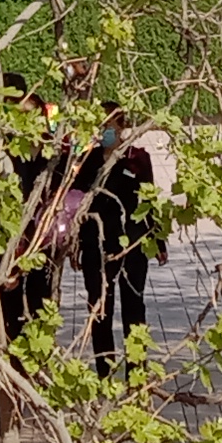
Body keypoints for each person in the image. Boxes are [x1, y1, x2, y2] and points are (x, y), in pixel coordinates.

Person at [72, 107, 161, 378]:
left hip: (131, 244)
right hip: (96, 244)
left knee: (134, 307)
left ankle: (136, 372)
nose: (104, 132)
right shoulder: (87, 161)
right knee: (100, 309)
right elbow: (75, 203)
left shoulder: (136, 159)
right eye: (100, 127)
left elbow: (149, 200)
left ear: (122, 127)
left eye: (109, 126)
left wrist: (158, 240)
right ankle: (105, 374)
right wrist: (75, 243)